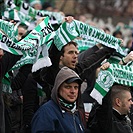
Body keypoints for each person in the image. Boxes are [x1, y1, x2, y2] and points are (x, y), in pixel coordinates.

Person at [31, 66, 86, 133]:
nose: (73, 91)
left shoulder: (76, 111)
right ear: (58, 88)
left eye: (76, 87)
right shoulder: (46, 112)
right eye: (68, 87)